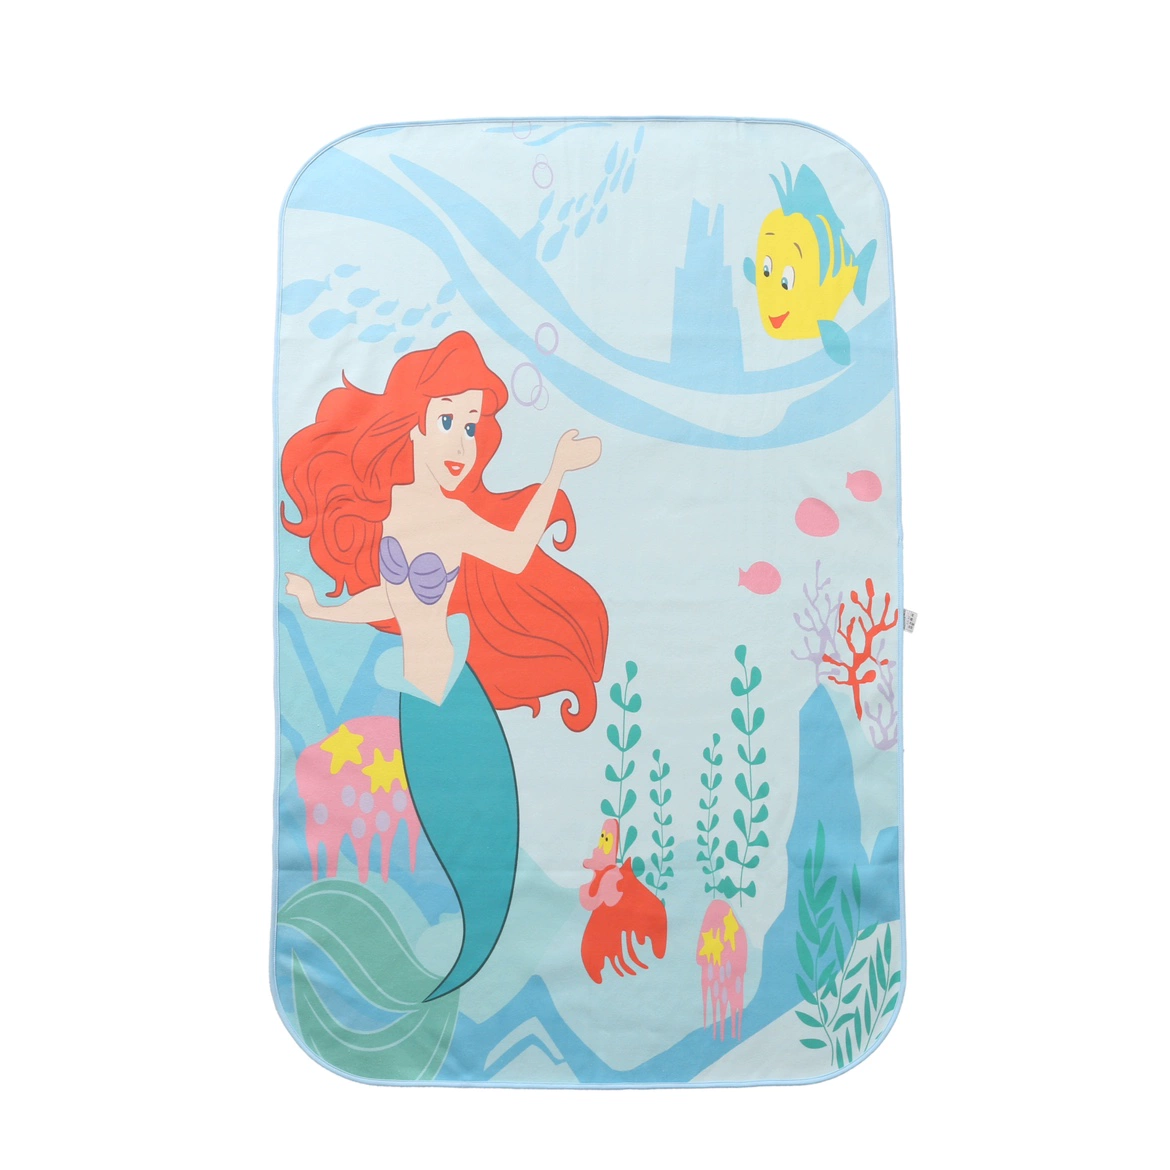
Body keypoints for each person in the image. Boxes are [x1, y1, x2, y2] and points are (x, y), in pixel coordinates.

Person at [281, 331, 608, 999]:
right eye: (449, 422)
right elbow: (394, 599)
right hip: (418, 702)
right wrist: (322, 608)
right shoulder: (395, 512)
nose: (463, 442)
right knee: (438, 839)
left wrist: (556, 471)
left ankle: (479, 962)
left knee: (481, 840)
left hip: (458, 702)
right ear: (415, 427)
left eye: (473, 425)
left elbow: (514, 553)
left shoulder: (452, 518)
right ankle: (449, 966)